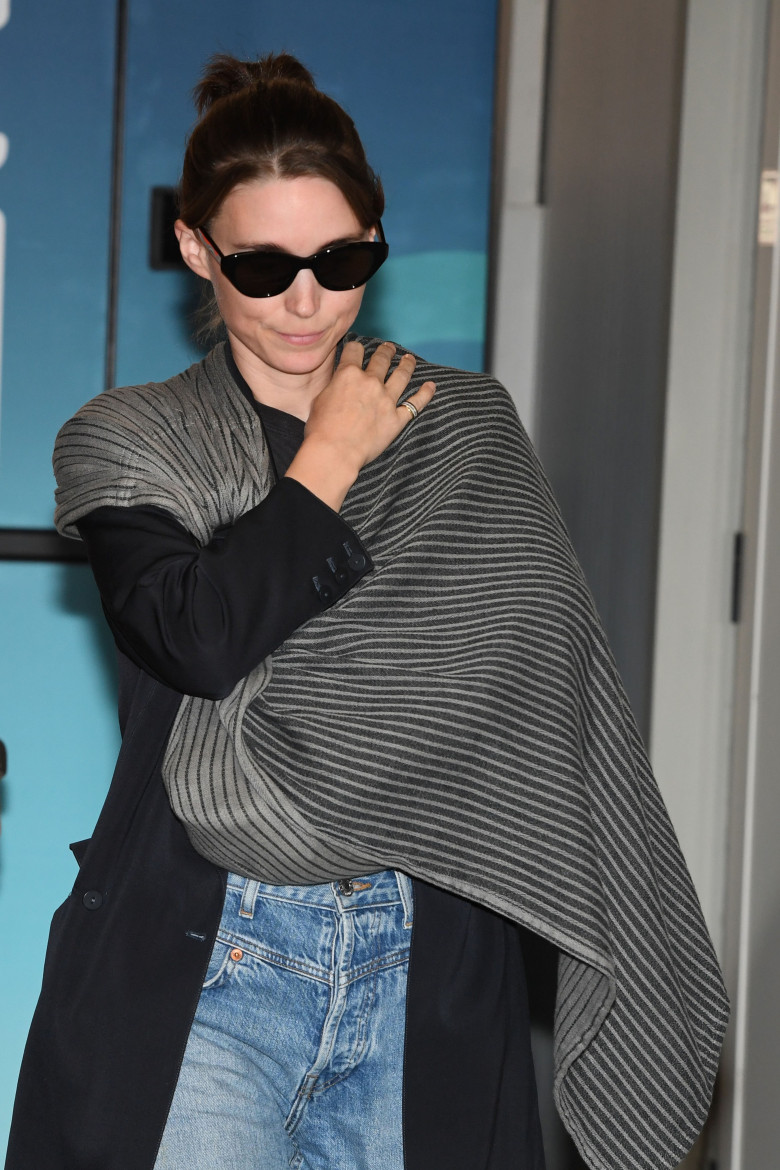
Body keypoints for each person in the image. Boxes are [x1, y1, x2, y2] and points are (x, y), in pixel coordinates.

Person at [6, 53, 727, 1170]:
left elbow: (540, 694)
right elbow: (196, 638)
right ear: (197, 249)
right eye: (263, 264)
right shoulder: (126, 438)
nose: (306, 299)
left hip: (423, 959)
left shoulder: (469, 430)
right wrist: (331, 454)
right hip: (205, 962)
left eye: (341, 258)